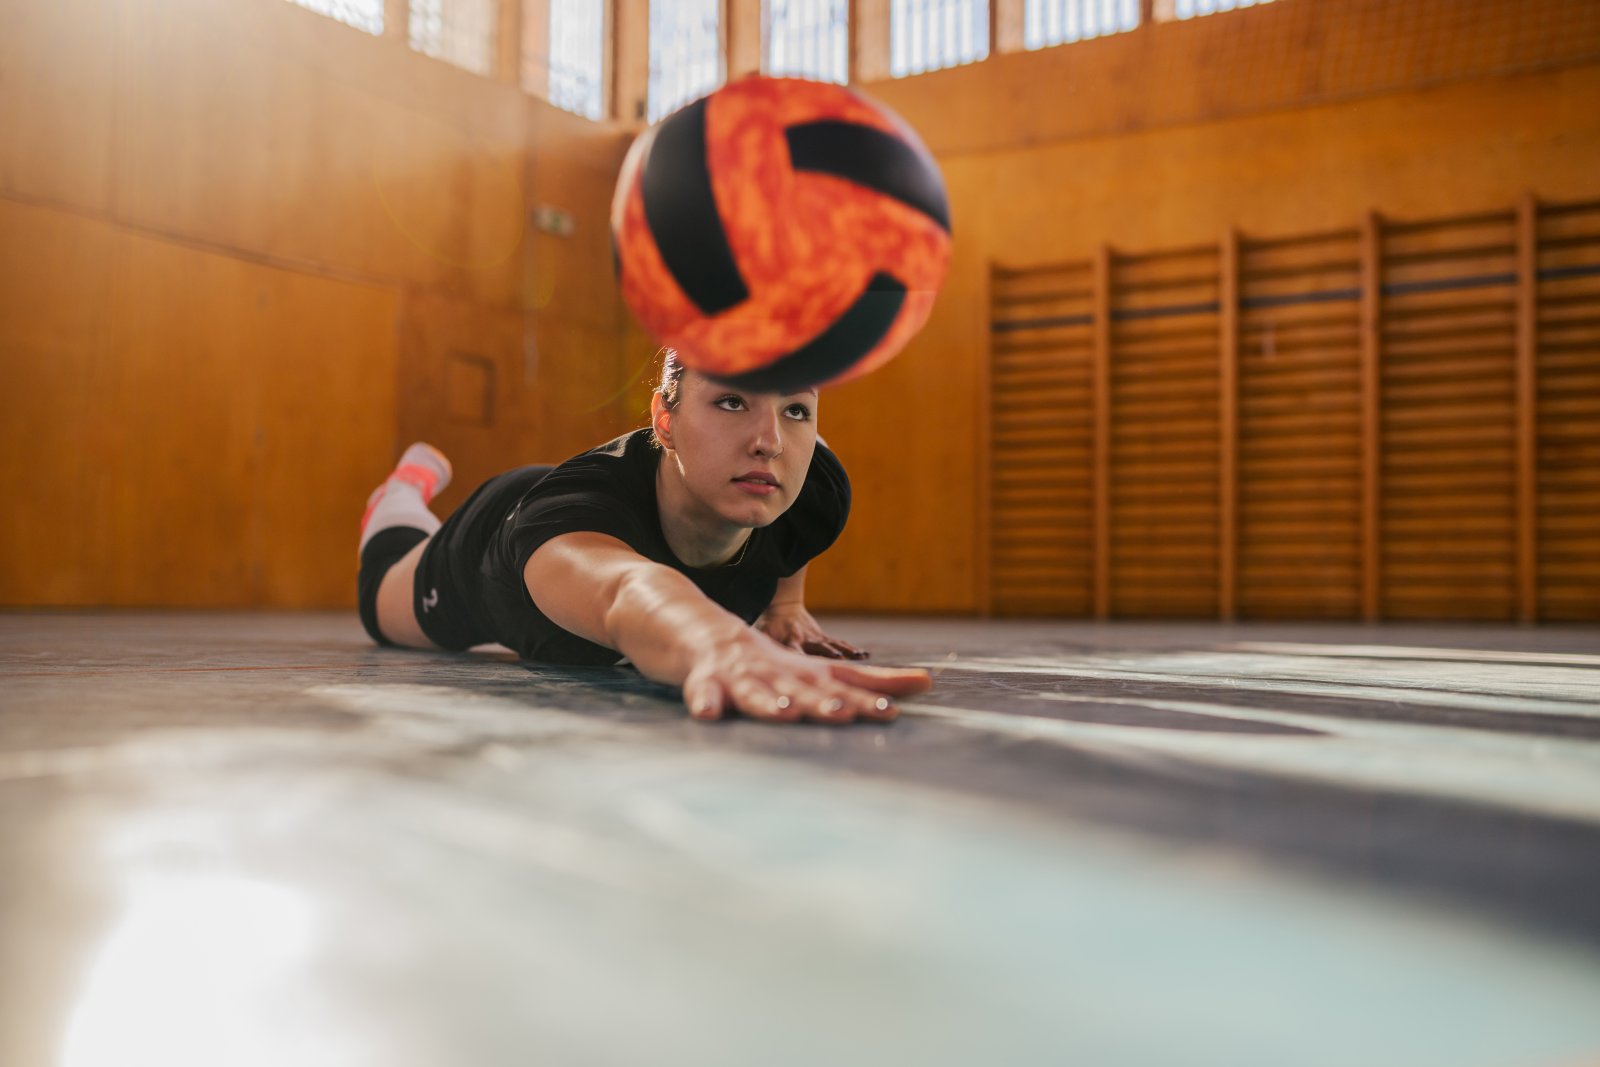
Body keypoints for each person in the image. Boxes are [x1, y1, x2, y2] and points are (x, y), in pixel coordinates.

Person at [355, 348, 932, 724]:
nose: (770, 441)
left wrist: (787, 603)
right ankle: (402, 494)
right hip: (500, 533)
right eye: (731, 401)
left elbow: (798, 508)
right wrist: (715, 640)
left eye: (796, 411)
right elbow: (624, 591)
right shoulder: (564, 526)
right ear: (665, 420)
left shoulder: (811, 490)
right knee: (380, 595)